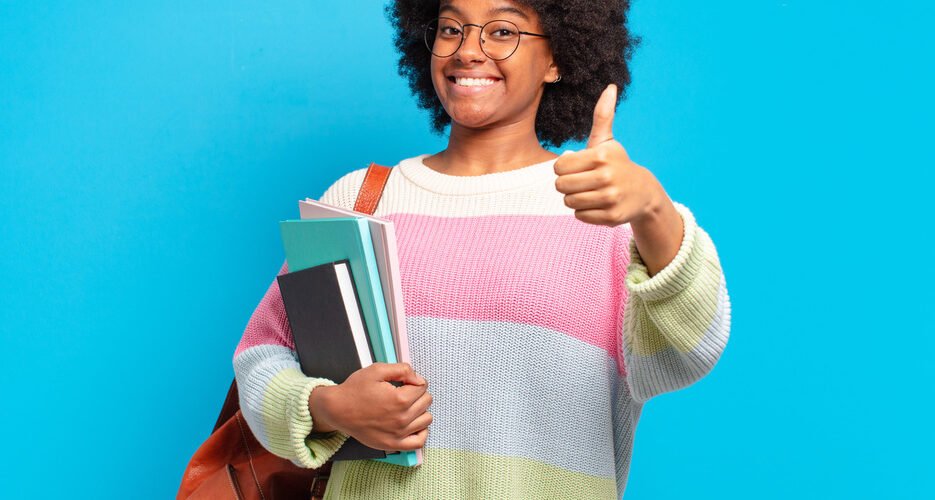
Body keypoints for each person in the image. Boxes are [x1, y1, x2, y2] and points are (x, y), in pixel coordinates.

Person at [232, 0, 731, 498]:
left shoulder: (605, 209)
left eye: (502, 31)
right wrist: (331, 407)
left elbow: (692, 348)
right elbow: (262, 355)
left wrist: (652, 210)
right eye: (451, 28)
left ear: (557, 57)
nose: (468, 50)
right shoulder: (360, 199)